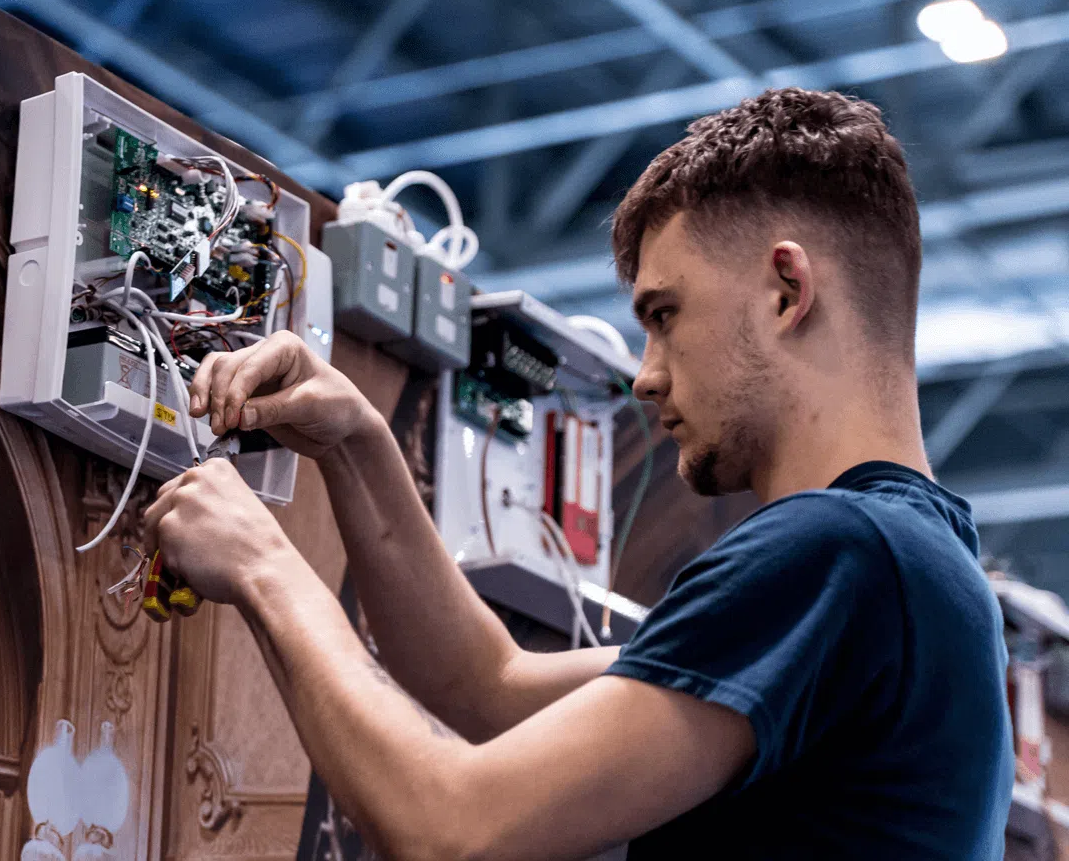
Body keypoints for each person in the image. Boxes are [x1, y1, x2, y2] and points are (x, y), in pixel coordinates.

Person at [142, 88, 1012, 859]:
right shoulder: (926, 572)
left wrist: (263, 567)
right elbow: (487, 686)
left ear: (786, 290)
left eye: (664, 315)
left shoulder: (834, 550)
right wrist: (356, 441)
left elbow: (452, 827)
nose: (646, 373)